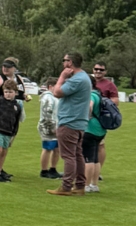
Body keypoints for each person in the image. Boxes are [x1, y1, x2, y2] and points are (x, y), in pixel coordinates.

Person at [47, 52, 91, 197]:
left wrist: (62, 77)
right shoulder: (84, 77)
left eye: (64, 60)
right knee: (77, 155)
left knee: (68, 156)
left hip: (69, 122)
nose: (63, 63)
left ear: (70, 63)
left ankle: (66, 186)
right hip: (79, 123)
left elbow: (57, 92)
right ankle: (79, 186)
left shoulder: (77, 79)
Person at [0, 58, 25, 180]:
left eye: (8, 66)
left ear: (15, 68)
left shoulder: (18, 79)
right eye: (3, 66)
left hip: (13, 114)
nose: (5, 68)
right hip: (0, 116)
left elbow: (22, 93)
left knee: (6, 144)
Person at [92, 61, 118, 179]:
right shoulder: (88, 82)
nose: (98, 71)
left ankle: (98, 172)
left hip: (100, 118)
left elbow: (115, 101)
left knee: (100, 145)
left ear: (105, 72)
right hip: (86, 117)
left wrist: (101, 104)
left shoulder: (109, 85)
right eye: (96, 69)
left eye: (101, 70)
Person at [83, 75, 107, 194]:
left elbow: (89, 107)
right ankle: (94, 184)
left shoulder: (91, 95)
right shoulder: (99, 94)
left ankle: (86, 185)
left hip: (90, 129)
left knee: (88, 158)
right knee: (95, 159)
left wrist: (84, 119)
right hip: (100, 130)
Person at [38, 85, 62, 180]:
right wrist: (52, 126)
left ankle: (53, 169)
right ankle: (44, 170)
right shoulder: (47, 97)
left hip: (57, 125)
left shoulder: (56, 97)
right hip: (47, 127)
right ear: (51, 86)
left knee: (57, 149)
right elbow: (47, 114)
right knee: (47, 148)